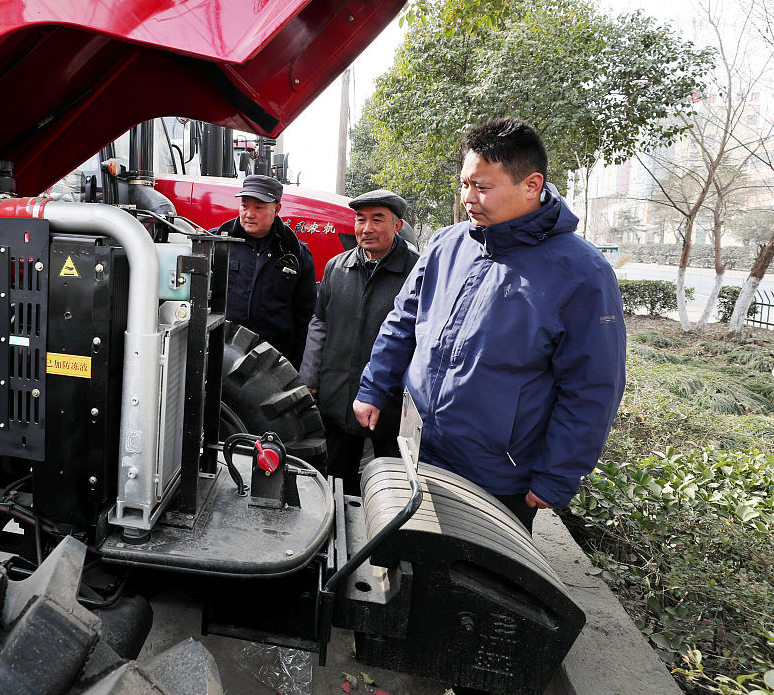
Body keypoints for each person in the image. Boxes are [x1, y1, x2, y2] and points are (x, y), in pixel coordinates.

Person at [353, 117, 626, 533]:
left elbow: (592, 387)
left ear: (531, 185)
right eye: (464, 184)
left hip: (497, 475)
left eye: (482, 187)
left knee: (475, 587)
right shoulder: (448, 244)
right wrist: (374, 386)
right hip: (418, 449)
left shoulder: (581, 273)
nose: (468, 197)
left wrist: (557, 475)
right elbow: (403, 322)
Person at [300, 189, 418, 495]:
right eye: (360, 219)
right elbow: (320, 323)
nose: (366, 228)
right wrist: (310, 379)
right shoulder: (336, 267)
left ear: (397, 225)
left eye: (377, 219)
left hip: (390, 405)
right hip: (338, 398)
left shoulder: (416, 272)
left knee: (394, 487)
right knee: (337, 481)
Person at [217, 174, 316, 368]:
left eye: (259, 207)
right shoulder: (218, 243)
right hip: (221, 354)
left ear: (277, 209)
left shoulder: (296, 253)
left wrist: (298, 369)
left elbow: (305, 316)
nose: (249, 214)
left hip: (273, 361)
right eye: (244, 206)